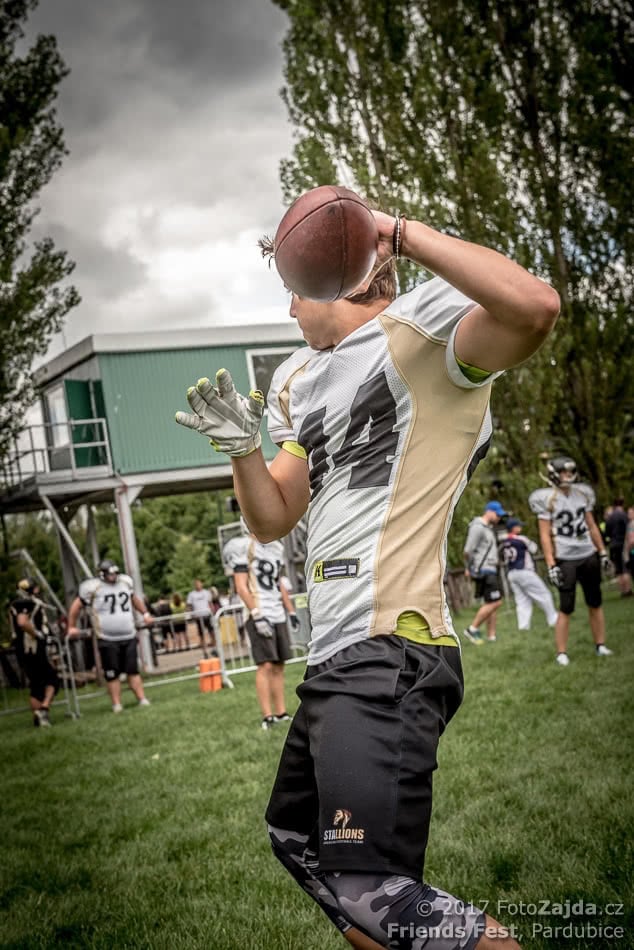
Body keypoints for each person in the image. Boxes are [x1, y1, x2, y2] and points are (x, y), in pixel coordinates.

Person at [175, 200, 559, 949]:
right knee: (300, 841)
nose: (288, 309)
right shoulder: (295, 380)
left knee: (371, 887)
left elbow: (536, 307)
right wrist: (242, 453)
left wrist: (398, 233)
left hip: (392, 642)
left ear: (332, 276)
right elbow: (272, 517)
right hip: (336, 650)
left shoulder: (426, 330)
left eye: (291, 289)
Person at [528, 456, 613, 667]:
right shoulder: (546, 498)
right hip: (566, 558)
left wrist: (602, 551)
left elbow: (591, 525)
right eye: (564, 472)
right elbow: (545, 535)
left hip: (588, 553)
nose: (568, 475)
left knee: (595, 602)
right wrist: (551, 564)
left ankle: (600, 644)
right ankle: (561, 653)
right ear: (554, 474)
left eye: (570, 471)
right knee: (566, 607)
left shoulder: (582, 493)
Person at [223, 520, 300, 729]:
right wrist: (256, 614)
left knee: (279, 664)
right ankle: (267, 716)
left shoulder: (276, 547)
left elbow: (278, 583)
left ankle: (281, 712)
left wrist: (291, 611)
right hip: (258, 611)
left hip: (277, 612)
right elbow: (241, 586)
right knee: (265, 664)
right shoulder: (243, 547)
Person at [67, 559, 153, 712]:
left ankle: (142, 698)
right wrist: (71, 626)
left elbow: (133, 599)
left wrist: (145, 613)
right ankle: (117, 704)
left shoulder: (125, 582)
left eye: (115, 573)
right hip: (107, 638)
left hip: (128, 635)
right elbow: (76, 606)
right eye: (110, 574)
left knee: (133, 670)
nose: (113, 577)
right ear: (102, 574)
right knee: (112, 673)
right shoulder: (93, 587)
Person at [9, 578, 59, 727]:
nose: (37, 591)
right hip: (31, 648)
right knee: (51, 680)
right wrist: (37, 634)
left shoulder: (15, 604)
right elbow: (22, 622)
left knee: (37, 684)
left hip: (23, 649)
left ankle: (40, 717)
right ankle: (43, 710)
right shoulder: (24, 603)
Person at [500, 519, 558, 631]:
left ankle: (523, 627)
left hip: (511, 573)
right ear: (513, 528)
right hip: (524, 571)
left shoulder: (505, 541)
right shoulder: (521, 539)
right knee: (544, 594)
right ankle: (553, 620)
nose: (520, 527)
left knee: (522, 601)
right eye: (519, 526)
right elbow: (534, 549)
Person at [462, 501, 507, 644]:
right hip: (484, 569)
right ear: (489, 511)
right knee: (496, 601)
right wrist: (468, 568)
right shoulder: (477, 527)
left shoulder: (488, 528)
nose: (499, 517)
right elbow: (468, 550)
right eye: (497, 514)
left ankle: (491, 637)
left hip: (490, 568)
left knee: (490, 602)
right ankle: (472, 629)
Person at [605, 499, 632, 597]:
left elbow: (607, 532)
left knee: (618, 569)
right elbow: (628, 529)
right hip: (622, 544)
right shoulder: (623, 515)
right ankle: (627, 590)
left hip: (613, 544)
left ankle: (622, 591)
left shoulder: (610, 517)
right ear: (622, 505)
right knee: (625, 568)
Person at [186, 579, 216, 654]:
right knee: (201, 634)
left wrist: (213, 612)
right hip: (198, 617)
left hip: (207, 615)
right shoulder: (191, 594)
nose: (198, 585)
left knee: (212, 632)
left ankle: (214, 648)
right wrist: (191, 614)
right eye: (196, 584)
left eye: (199, 584)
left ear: (202, 584)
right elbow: (189, 605)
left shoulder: (206, 592)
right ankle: (204, 651)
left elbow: (210, 603)